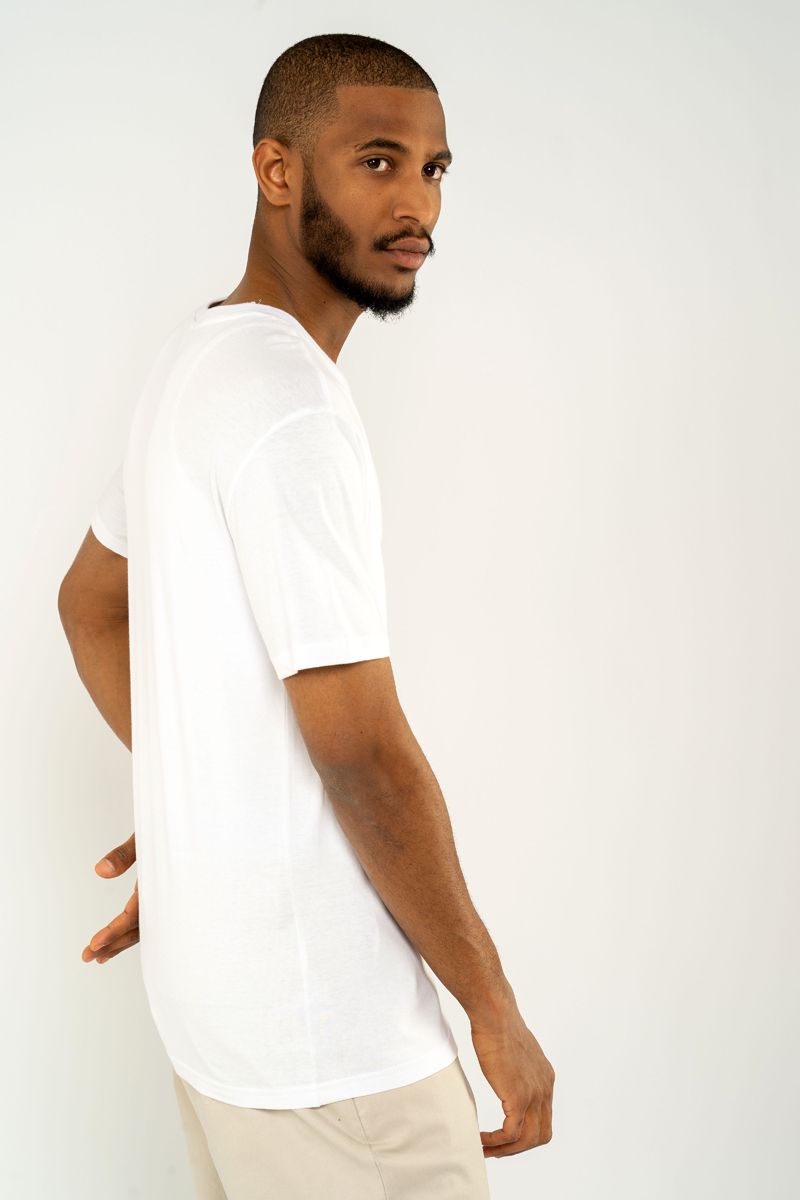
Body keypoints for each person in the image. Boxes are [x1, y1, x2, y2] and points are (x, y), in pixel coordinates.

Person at [57, 31, 554, 1199]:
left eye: (433, 169)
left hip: (225, 1030)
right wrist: (492, 1008)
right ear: (275, 170)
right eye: (377, 161)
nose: (416, 203)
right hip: (336, 1055)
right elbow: (361, 754)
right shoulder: (288, 405)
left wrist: (195, 815)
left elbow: (87, 605)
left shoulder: (195, 364)